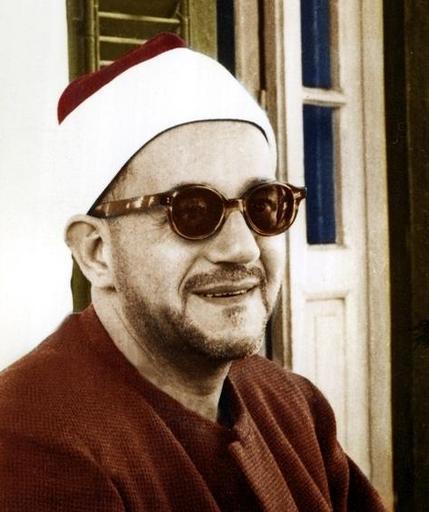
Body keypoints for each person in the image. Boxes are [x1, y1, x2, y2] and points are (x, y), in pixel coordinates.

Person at [0, 33, 386, 511]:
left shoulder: (294, 405)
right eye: (193, 211)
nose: (242, 248)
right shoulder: (31, 448)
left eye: (264, 205)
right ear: (97, 252)